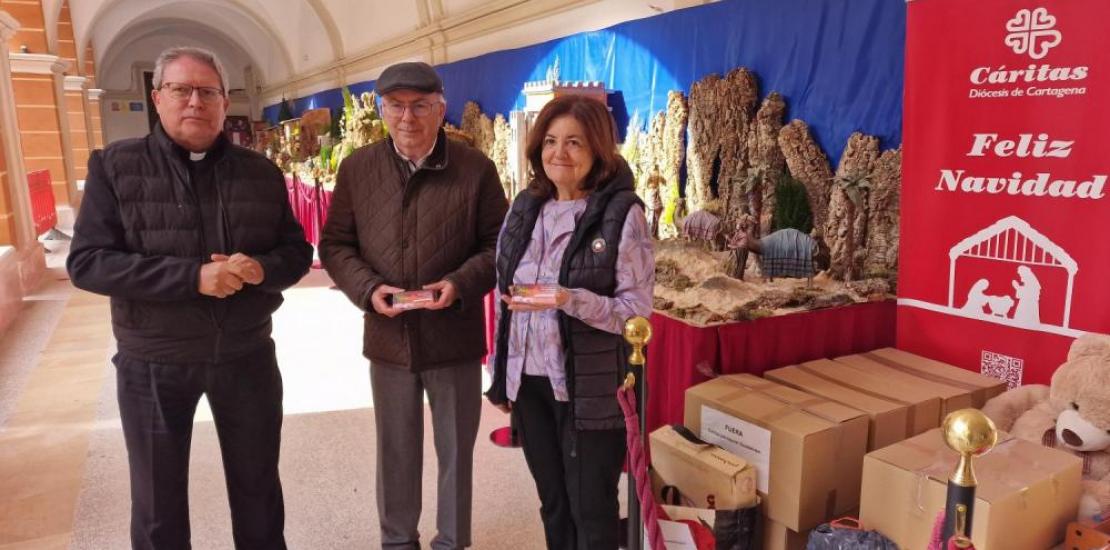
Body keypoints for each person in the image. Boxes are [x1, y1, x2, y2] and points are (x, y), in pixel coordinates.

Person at [67, 46, 312, 549]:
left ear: (225, 102)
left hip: (245, 355)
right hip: (154, 359)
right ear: (157, 98)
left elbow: (296, 252)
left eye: (207, 91)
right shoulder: (115, 167)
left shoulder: (259, 172)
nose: (194, 102)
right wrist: (191, 278)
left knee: (258, 490)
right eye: (181, 90)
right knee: (158, 503)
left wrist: (261, 267)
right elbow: (87, 262)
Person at [318, 61, 508, 550]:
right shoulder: (358, 168)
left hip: (454, 334)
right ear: (382, 110)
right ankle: (397, 540)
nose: (408, 117)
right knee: (396, 449)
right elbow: (335, 244)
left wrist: (459, 283)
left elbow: (499, 247)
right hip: (388, 335)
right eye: (397, 106)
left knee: (455, 450)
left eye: (420, 105)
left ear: (440, 108)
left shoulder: (476, 169)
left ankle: (452, 540)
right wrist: (367, 289)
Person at [486, 95, 655, 549]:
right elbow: (507, 297)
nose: (559, 153)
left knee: (591, 507)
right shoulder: (526, 206)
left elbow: (635, 314)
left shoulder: (622, 214)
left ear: (598, 149)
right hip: (531, 385)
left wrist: (569, 299)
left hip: (589, 385)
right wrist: (502, 375)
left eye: (574, 142)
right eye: (551, 141)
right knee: (554, 503)